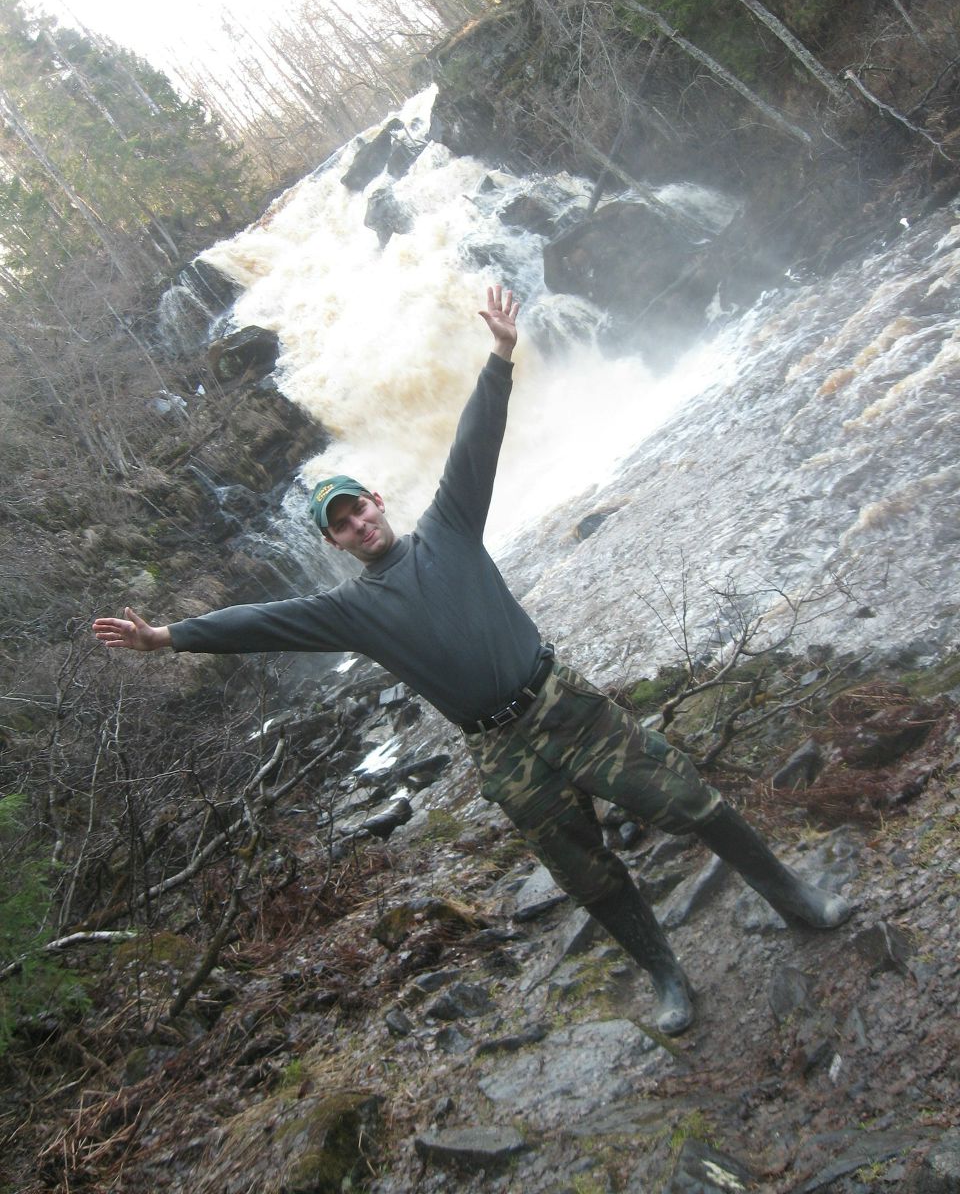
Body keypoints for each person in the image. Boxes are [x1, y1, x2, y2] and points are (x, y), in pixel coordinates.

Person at [93, 285, 850, 1035]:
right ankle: (665, 975)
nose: (358, 523)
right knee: (587, 874)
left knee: (687, 800)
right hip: (502, 751)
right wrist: (169, 637)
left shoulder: (450, 526)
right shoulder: (349, 612)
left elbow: (475, 440)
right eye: (342, 524)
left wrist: (499, 353)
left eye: (359, 507)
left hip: (562, 704)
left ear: (378, 501)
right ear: (333, 544)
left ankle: (795, 899)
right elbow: (261, 623)